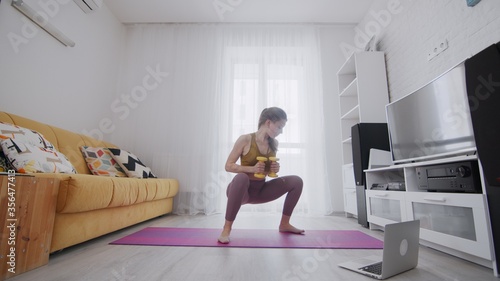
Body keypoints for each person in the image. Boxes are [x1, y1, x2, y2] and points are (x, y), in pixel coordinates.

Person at [218, 107, 304, 244]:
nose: (281, 132)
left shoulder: (273, 143)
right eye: (279, 127)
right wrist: (252, 169)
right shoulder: (245, 139)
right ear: (268, 123)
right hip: (241, 191)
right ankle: (226, 229)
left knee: (296, 181)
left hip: (261, 190)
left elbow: (267, 171)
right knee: (242, 177)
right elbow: (228, 166)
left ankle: (284, 224)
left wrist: (274, 168)